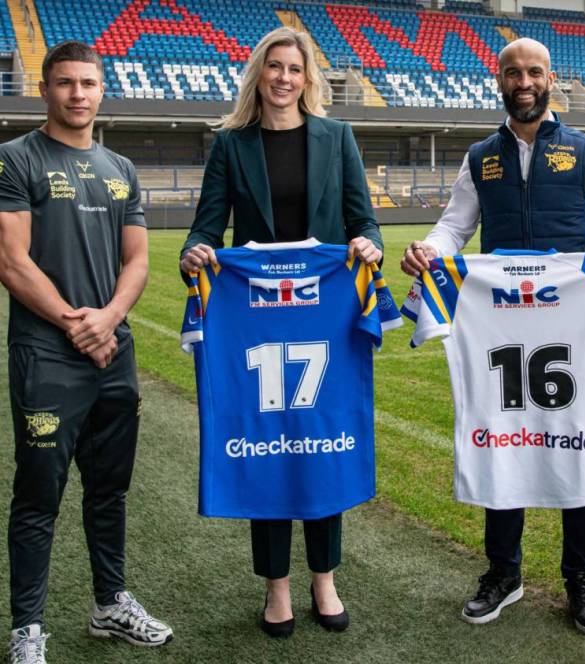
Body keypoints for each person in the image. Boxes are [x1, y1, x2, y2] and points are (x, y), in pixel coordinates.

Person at [400, 37, 585, 635]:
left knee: (576, 435)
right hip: (499, 320)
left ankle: (581, 578)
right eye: (513, 72)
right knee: (501, 436)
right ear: (499, 80)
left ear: (551, 79)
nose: (524, 81)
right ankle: (503, 572)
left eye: (534, 72)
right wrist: (429, 252)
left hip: (569, 322)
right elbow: (454, 226)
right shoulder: (479, 156)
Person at [178, 26, 382, 639]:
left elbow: (360, 217)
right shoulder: (232, 145)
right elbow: (207, 225)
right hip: (256, 318)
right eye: (274, 67)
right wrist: (195, 252)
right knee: (267, 438)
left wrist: (367, 242)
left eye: (295, 68)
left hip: (323, 314)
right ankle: (276, 587)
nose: (284, 78)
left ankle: (325, 578)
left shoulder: (338, 136)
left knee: (321, 439)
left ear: (308, 78)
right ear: (258, 75)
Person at [0, 41, 173, 664]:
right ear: (44, 89)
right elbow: (11, 261)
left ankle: (109, 605)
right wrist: (79, 325)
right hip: (48, 357)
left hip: (113, 353)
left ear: (102, 91)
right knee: (38, 495)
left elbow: (138, 260)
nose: (78, 94)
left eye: (89, 83)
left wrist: (110, 318)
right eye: (66, 83)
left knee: (109, 490)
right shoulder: (13, 159)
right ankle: (27, 630)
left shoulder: (121, 168)